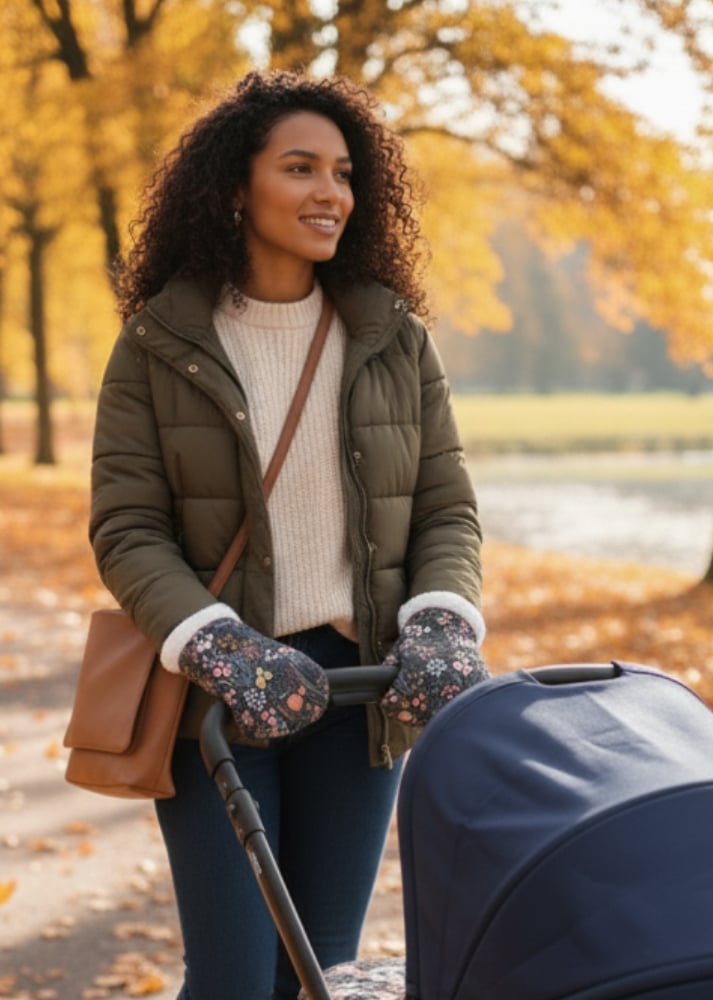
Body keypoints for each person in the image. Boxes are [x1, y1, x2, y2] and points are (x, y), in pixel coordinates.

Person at [89, 69, 489, 1000]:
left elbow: (446, 507)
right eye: (301, 168)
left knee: (321, 976)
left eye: (344, 173)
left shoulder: (393, 337)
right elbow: (127, 527)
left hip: (358, 700)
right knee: (233, 979)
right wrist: (217, 644)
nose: (329, 194)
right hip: (218, 701)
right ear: (237, 186)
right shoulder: (158, 343)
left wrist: (440, 618)